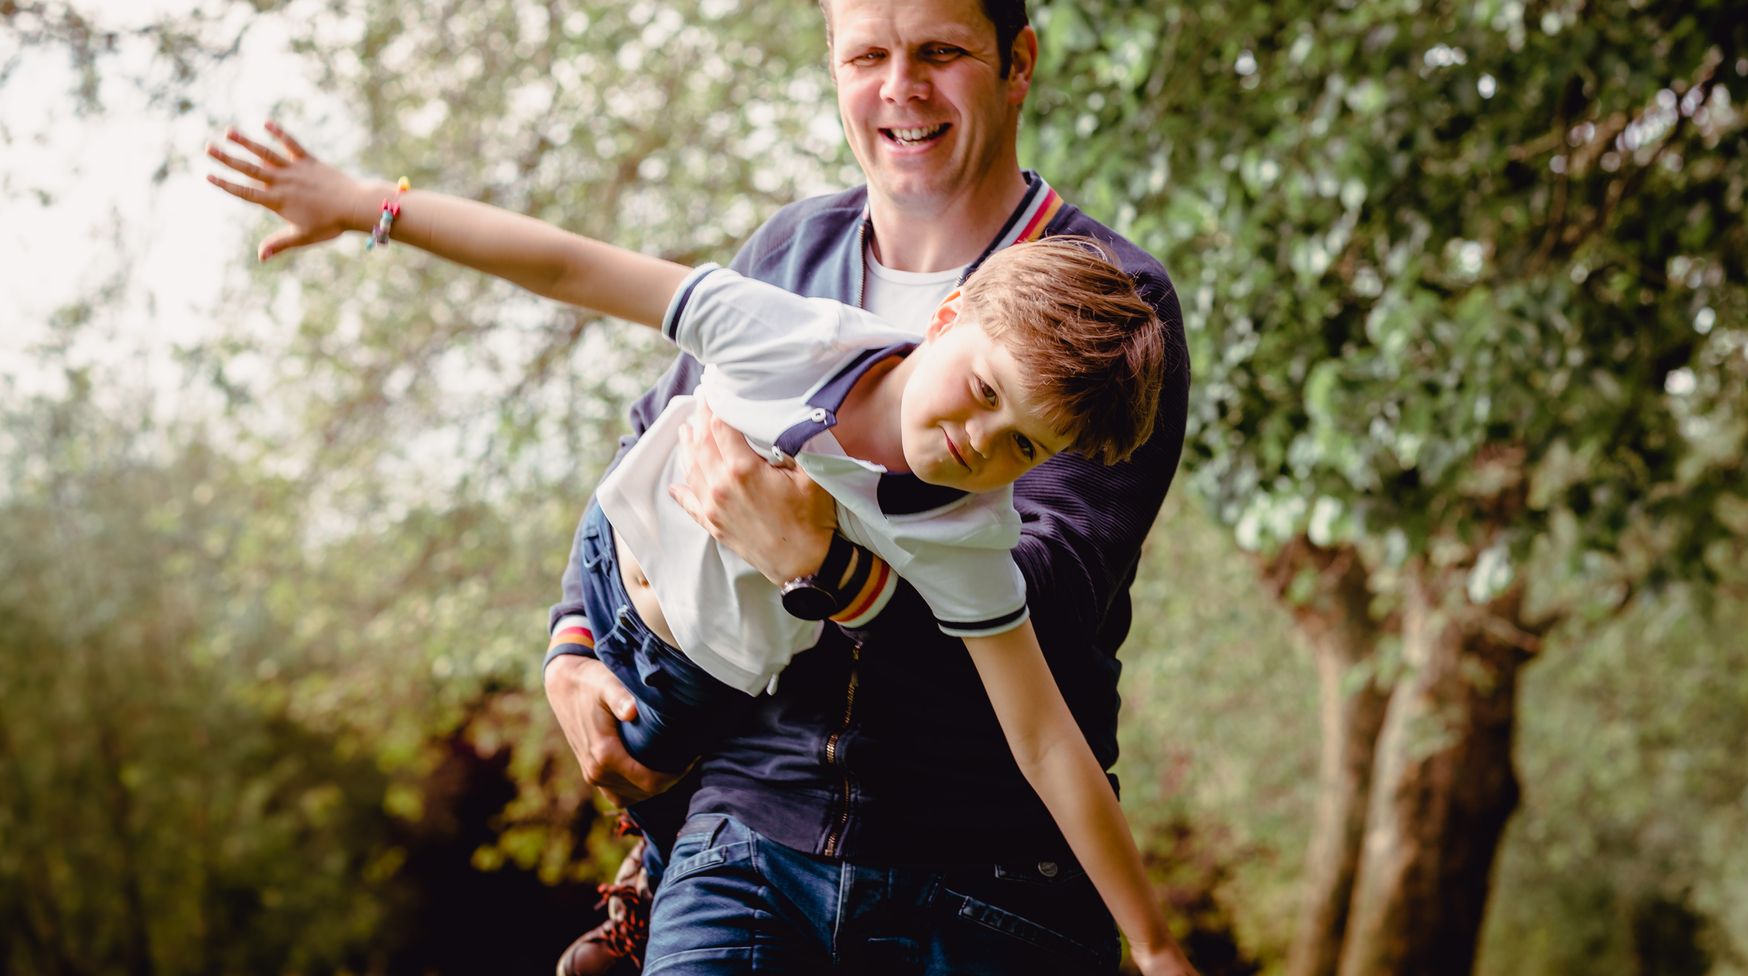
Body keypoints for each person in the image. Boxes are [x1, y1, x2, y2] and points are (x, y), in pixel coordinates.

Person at [205, 118, 1189, 971]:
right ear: (945, 316)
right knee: (655, 739)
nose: (979, 440)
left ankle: (655, 860)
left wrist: (1153, 942)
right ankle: (654, 869)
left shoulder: (969, 533)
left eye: (1020, 443)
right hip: (627, 565)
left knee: (680, 734)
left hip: (717, 669)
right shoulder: (790, 334)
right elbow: (572, 263)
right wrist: (372, 204)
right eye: (981, 390)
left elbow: (1048, 740)